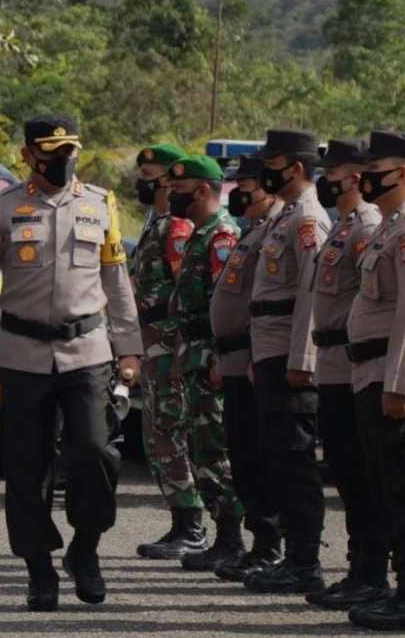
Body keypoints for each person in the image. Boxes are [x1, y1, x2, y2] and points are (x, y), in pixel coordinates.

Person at [0, 115, 142, 612]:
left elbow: (116, 281)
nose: (63, 161)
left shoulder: (100, 204)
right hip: (23, 354)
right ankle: (39, 568)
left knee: (96, 453)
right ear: (29, 156)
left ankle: (86, 549)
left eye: (70, 151)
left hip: (88, 351)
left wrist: (130, 346)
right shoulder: (3, 208)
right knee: (25, 466)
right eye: (52, 152)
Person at [345, 130, 405, 632]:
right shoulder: (387, 228)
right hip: (368, 372)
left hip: (390, 376)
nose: (365, 176)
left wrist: (401, 384)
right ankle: (398, 589)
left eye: (375, 166)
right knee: (385, 488)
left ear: (402, 173)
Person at [243, 129, 332, 595]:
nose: (265, 172)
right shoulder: (286, 217)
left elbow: (311, 295)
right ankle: (294, 557)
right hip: (271, 349)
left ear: (294, 168)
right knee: (278, 458)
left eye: (272, 163)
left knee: (296, 462)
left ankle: (304, 561)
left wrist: (302, 357)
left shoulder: (307, 220)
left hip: (290, 355)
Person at [305, 139, 387, 610]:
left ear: (354, 177)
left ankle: (372, 571)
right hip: (334, 364)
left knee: (362, 476)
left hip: (354, 362)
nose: (327, 178)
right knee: (348, 474)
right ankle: (361, 569)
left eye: (334, 171)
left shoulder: (368, 226)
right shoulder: (345, 226)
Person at [163, 154, 244, 572]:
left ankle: (233, 539)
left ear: (201, 191)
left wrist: (216, 355)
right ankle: (223, 535)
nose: (172, 196)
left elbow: (223, 302)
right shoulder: (199, 234)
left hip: (211, 357)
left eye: (179, 190)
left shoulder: (221, 236)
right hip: (193, 353)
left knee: (216, 448)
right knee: (202, 446)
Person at [209, 154, 285, 583]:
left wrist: (257, 353)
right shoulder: (255, 230)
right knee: (242, 457)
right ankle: (260, 543)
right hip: (236, 358)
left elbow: (273, 306)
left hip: (256, 358)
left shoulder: (279, 228)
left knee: (261, 458)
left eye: (247, 185)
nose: (239, 193)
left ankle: (271, 546)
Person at [130, 142, 201, 560]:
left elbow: (184, 289)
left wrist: (176, 348)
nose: (142, 183)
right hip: (150, 343)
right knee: (157, 433)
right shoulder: (154, 220)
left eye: (149, 177)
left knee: (171, 432)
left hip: (169, 345)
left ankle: (192, 525)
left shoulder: (176, 227)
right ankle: (181, 521)